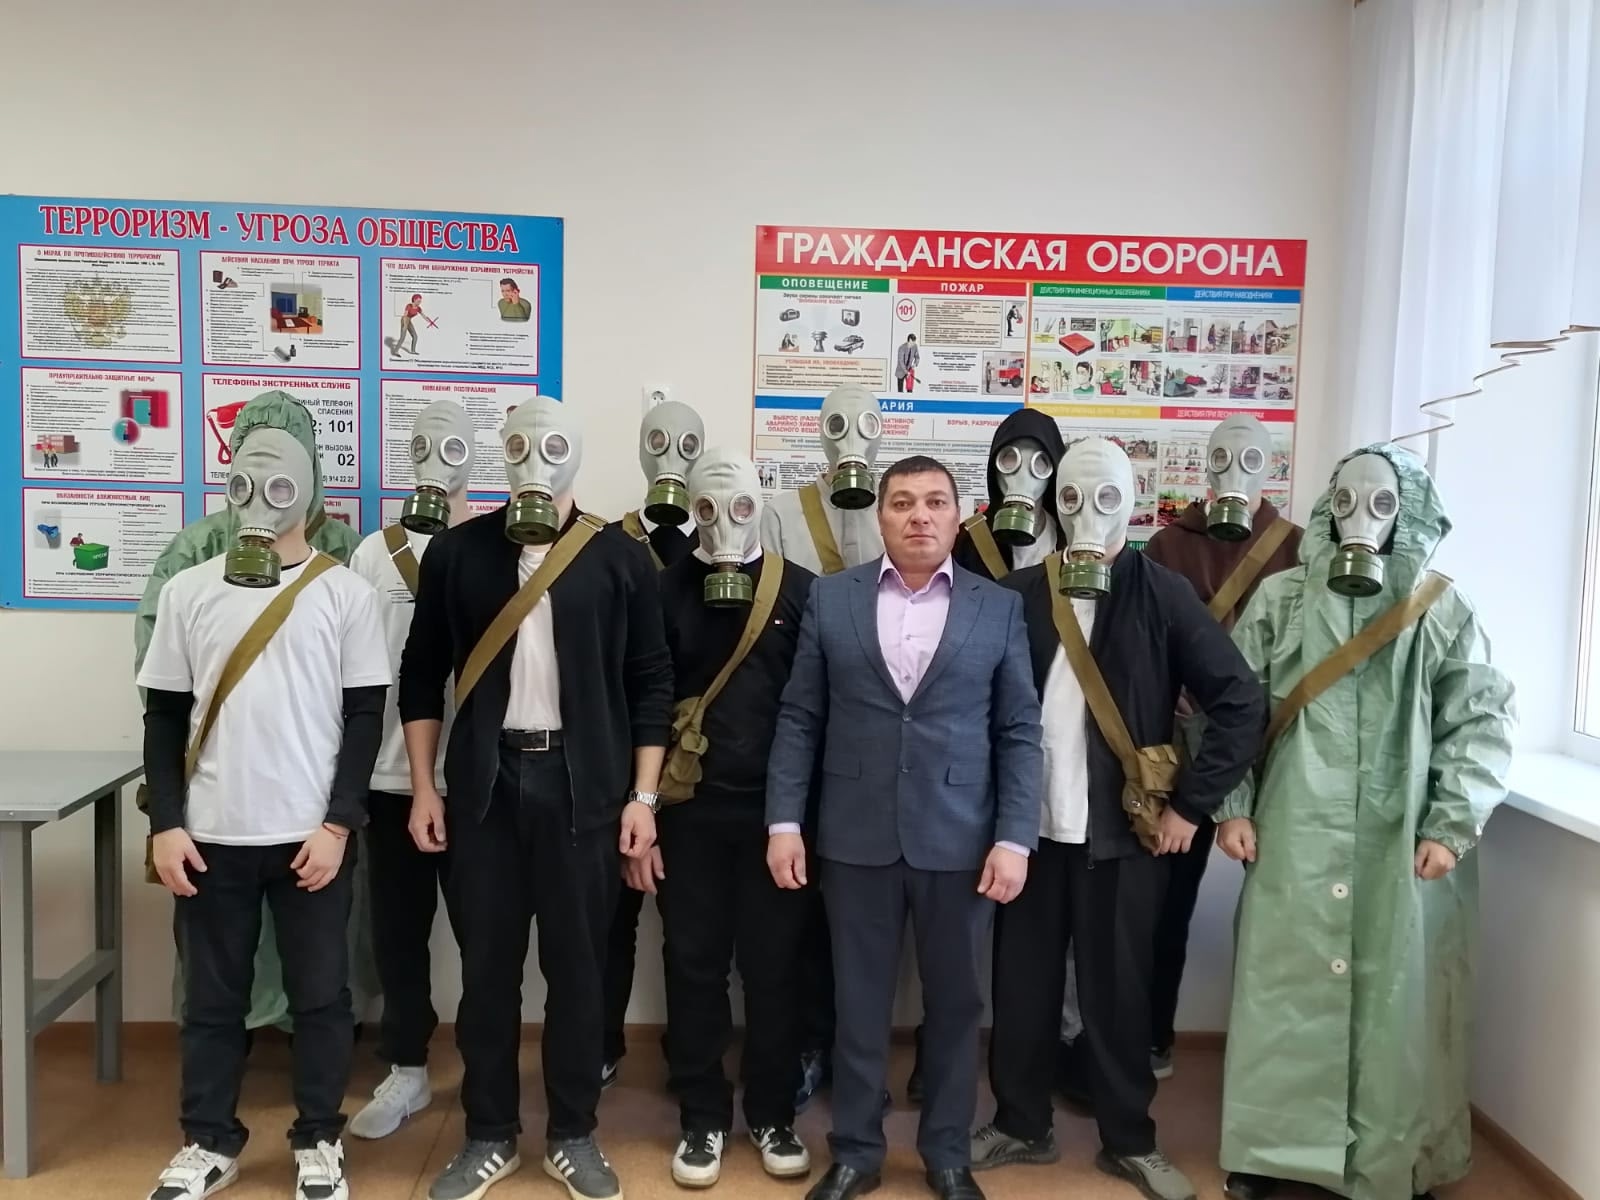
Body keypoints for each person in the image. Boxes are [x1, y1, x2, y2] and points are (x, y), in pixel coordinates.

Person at [1215, 444, 1515, 1200]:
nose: (1362, 518)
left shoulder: (1441, 610)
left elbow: (1481, 719)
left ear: (1408, 515)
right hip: (1294, 830)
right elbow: (1232, 708)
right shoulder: (1282, 599)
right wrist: (1234, 805)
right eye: (1346, 501)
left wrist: (1450, 824)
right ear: (1327, 507)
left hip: (1401, 838)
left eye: (1382, 504)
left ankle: (1396, 1157)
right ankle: (1267, 1152)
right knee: (1282, 990)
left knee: (1397, 999)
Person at [970, 437, 1262, 1200]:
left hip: (1125, 836)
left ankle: (1130, 1138)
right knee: (1022, 991)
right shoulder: (1019, 596)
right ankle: (1020, 1123)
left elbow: (1241, 702)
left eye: (1106, 499)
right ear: (1052, 505)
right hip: (1029, 836)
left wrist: (1192, 806)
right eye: (1071, 499)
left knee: (1119, 996)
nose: (1088, 516)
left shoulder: (1163, 595)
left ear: (1131, 505)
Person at [398, 395, 673, 1200]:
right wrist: (424, 786)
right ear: (502, 451)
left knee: (579, 969)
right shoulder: (459, 553)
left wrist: (643, 799)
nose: (534, 459)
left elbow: (652, 684)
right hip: (485, 786)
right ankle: (487, 1134)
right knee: (486, 971)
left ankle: (572, 1134)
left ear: (575, 453)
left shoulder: (619, 558)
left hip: (585, 789)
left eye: (551, 445)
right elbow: (421, 675)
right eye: (519, 444)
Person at [766, 455, 1043, 1200]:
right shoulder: (832, 598)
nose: (919, 515)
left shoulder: (998, 607)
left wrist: (1014, 837)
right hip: (853, 836)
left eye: (935, 502)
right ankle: (856, 1151)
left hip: (963, 839)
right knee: (858, 1006)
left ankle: (946, 1153)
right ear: (881, 516)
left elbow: (1019, 728)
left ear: (959, 516)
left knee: (955, 1007)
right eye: (902, 502)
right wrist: (784, 821)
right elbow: (800, 717)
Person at [138, 426, 392, 1200]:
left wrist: (339, 823)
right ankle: (208, 1140)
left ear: (307, 493)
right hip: (210, 836)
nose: (260, 502)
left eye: (279, 487)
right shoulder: (188, 591)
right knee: (212, 1002)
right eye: (244, 485)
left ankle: (319, 1137)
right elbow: (163, 718)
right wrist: (166, 824)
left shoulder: (345, 594)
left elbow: (364, 716)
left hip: (310, 837)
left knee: (322, 998)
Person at [639, 449, 817, 1188]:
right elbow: (645, 701)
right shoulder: (662, 590)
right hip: (688, 814)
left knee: (776, 969)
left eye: (739, 507)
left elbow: (813, 710)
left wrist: (798, 821)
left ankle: (773, 1111)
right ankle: (702, 1116)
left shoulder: (800, 591)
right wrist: (644, 811)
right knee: (693, 965)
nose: (723, 524)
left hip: (777, 818)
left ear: (760, 506)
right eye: (707, 510)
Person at [1137, 413, 1302, 1081]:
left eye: (1250, 459)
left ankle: (1284, 1058)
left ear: (1272, 468)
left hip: (1272, 748)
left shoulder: (1300, 550)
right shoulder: (1166, 546)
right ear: (1203, 467)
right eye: (1222, 458)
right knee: (1164, 904)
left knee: (1288, 905)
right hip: (1185, 753)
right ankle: (1151, 1036)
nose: (1235, 472)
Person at [759, 383, 893, 1109]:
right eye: (837, 423)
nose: (851, 437)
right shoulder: (782, 513)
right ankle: (810, 1043)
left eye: (864, 423)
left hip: (881, 743)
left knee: (871, 913)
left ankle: (861, 1053)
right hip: (808, 731)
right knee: (804, 909)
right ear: (819, 432)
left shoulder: (898, 513)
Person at [345, 399, 476, 1140]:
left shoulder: (498, 545)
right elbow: (354, 672)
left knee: (485, 931)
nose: (437, 458)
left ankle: (487, 1067)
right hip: (393, 778)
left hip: (479, 779)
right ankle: (406, 1067)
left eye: (452, 447)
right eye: (425, 444)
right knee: (398, 931)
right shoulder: (374, 553)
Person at [602, 399, 706, 1085]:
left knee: (691, 928)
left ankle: (688, 1054)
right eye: (660, 440)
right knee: (607, 920)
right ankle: (600, 1042)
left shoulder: (723, 543)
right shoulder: (603, 546)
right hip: (617, 761)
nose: (672, 455)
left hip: (695, 771)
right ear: (640, 449)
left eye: (688, 443)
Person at [953, 409, 1067, 582]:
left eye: (1039, 461)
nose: (1023, 474)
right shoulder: (966, 541)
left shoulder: (1067, 541)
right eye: (1010, 458)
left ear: (1054, 470)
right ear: (995, 466)